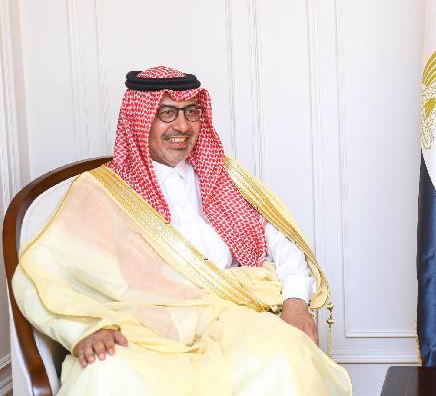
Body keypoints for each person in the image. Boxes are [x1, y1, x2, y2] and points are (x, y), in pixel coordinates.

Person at [12, 66, 352, 395]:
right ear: (140, 120)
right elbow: (43, 273)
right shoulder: (102, 190)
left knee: (283, 358)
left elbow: (282, 241)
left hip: (229, 315)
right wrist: (83, 330)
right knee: (107, 372)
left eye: (191, 112)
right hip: (140, 325)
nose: (183, 125)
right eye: (167, 113)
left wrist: (296, 301)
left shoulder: (221, 175)